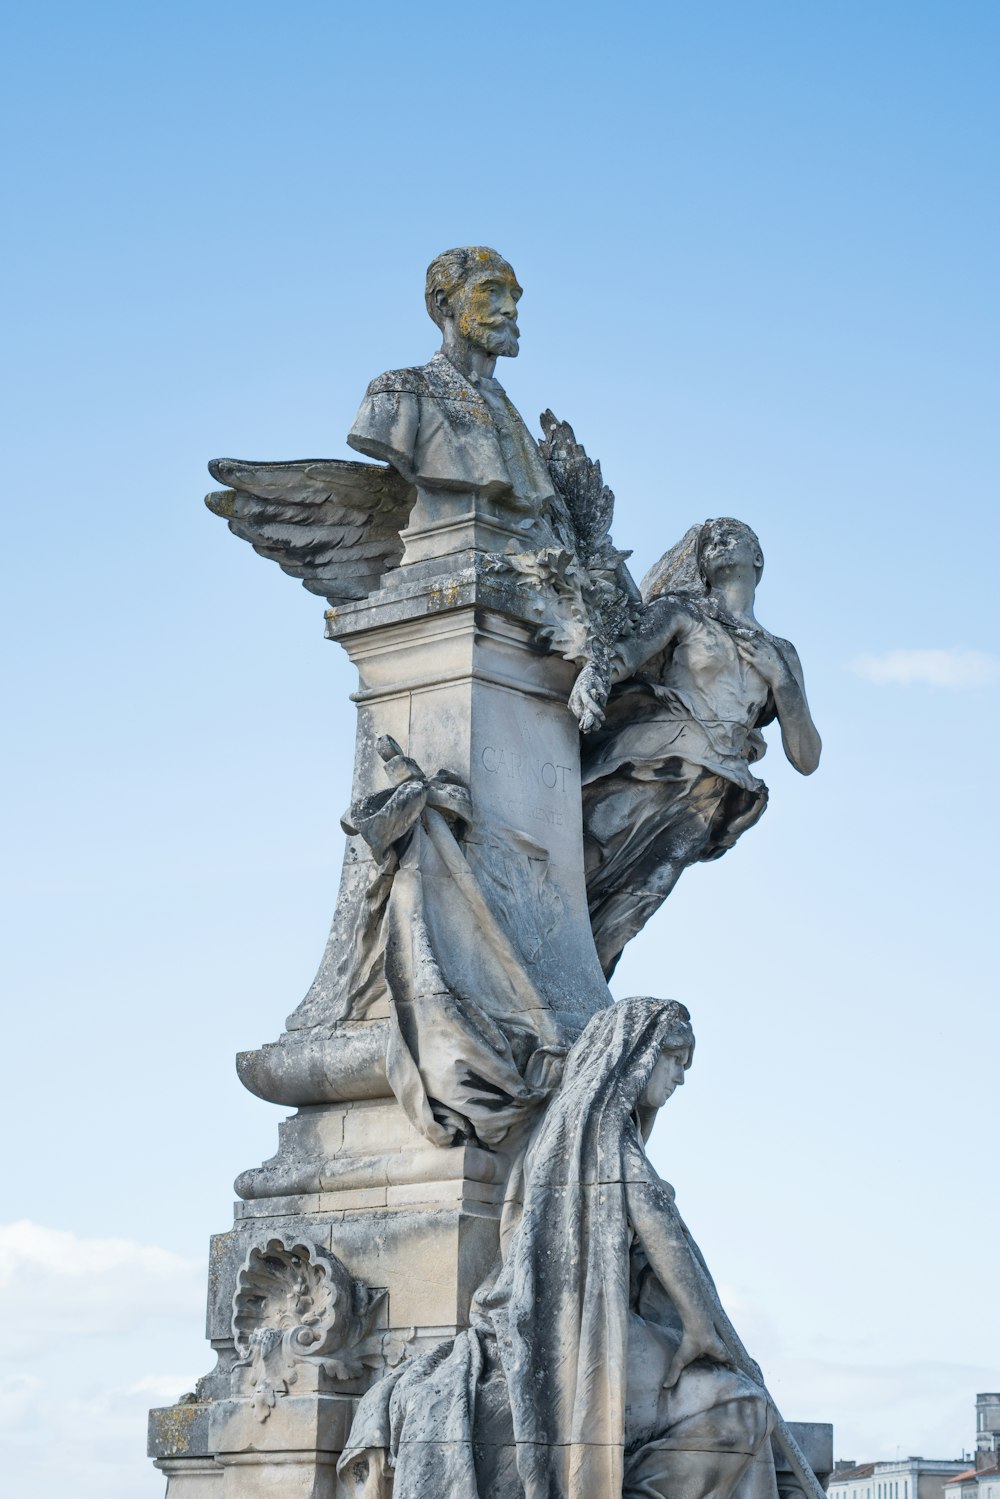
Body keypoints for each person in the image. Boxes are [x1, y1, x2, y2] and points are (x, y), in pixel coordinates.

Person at [337, 997, 780, 1499]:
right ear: (635, 1056)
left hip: (555, 1322)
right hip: (577, 1330)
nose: (679, 1077)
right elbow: (660, 1228)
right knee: (741, 1404)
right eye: (674, 1058)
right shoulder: (605, 1134)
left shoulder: (566, 1129)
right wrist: (700, 1326)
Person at [569, 518, 821, 976]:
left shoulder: (782, 652)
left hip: (712, 788)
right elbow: (625, 655)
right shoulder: (683, 610)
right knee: (585, 858)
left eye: (732, 537)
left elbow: (806, 758)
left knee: (638, 901)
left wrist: (782, 681)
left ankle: (585, 986)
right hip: (652, 762)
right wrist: (594, 674)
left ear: (756, 557)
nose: (718, 544)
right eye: (710, 542)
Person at [347, 246, 575, 557]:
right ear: (444, 301)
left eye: (515, 296)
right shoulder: (398, 392)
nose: (510, 308)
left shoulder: (509, 412)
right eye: (492, 290)